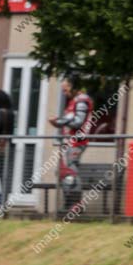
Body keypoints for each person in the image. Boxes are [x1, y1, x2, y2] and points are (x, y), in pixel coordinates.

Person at [49, 75, 93, 212]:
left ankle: (76, 205)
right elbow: (70, 120)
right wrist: (59, 122)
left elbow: (78, 122)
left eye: (66, 89)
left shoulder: (81, 101)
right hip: (71, 141)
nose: (64, 93)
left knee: (72, 172)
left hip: (77, 141)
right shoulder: (74, 101)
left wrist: (59, 121)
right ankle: (70, 204)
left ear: (74, 87)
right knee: (65, 172)